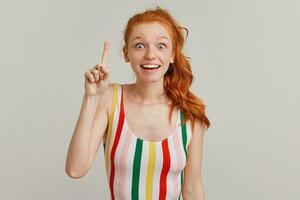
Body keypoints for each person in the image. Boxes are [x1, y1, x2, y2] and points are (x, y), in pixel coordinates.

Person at [65, 6, 210, 200]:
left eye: (161, 46)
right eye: (140, 45)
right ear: (126, 54)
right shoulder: (110, 99)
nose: (150, 55)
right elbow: (75, 169)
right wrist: (91, 97)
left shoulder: (190, 114)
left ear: (173, 54)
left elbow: (192, 189)